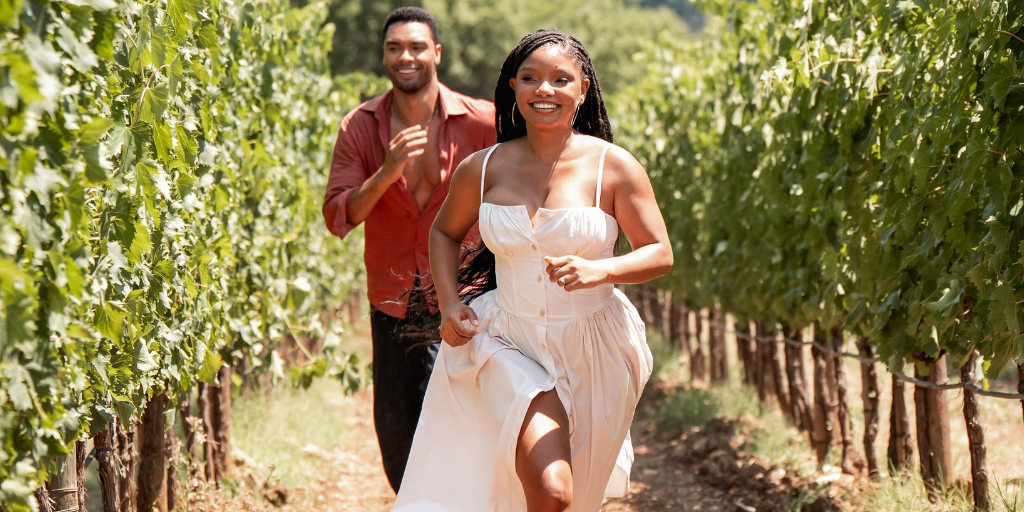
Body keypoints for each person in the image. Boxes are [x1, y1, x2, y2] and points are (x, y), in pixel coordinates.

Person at [394, 29, 673, 512]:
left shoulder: (615, 167)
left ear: (582, 89)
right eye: (530, 79)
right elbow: (442, 234)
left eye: (561, 80)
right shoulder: (482, 169)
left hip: (593, 347)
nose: (545, 90)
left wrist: (600, 270)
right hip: (506, 341)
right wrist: (450, 303)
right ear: (513, 87)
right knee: (552, 492)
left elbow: (659, 253)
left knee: (575, 498)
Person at [322, 6, 495, 492]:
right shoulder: (360, 126)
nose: (406, 56)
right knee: (396, 433)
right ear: (384, 56)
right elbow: (340, 215)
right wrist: (386, 172)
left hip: (468, 298)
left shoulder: (482, 121)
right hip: (393, 298)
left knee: (466, 420)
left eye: (416, 46)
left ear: (436, 53)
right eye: (394, 48)